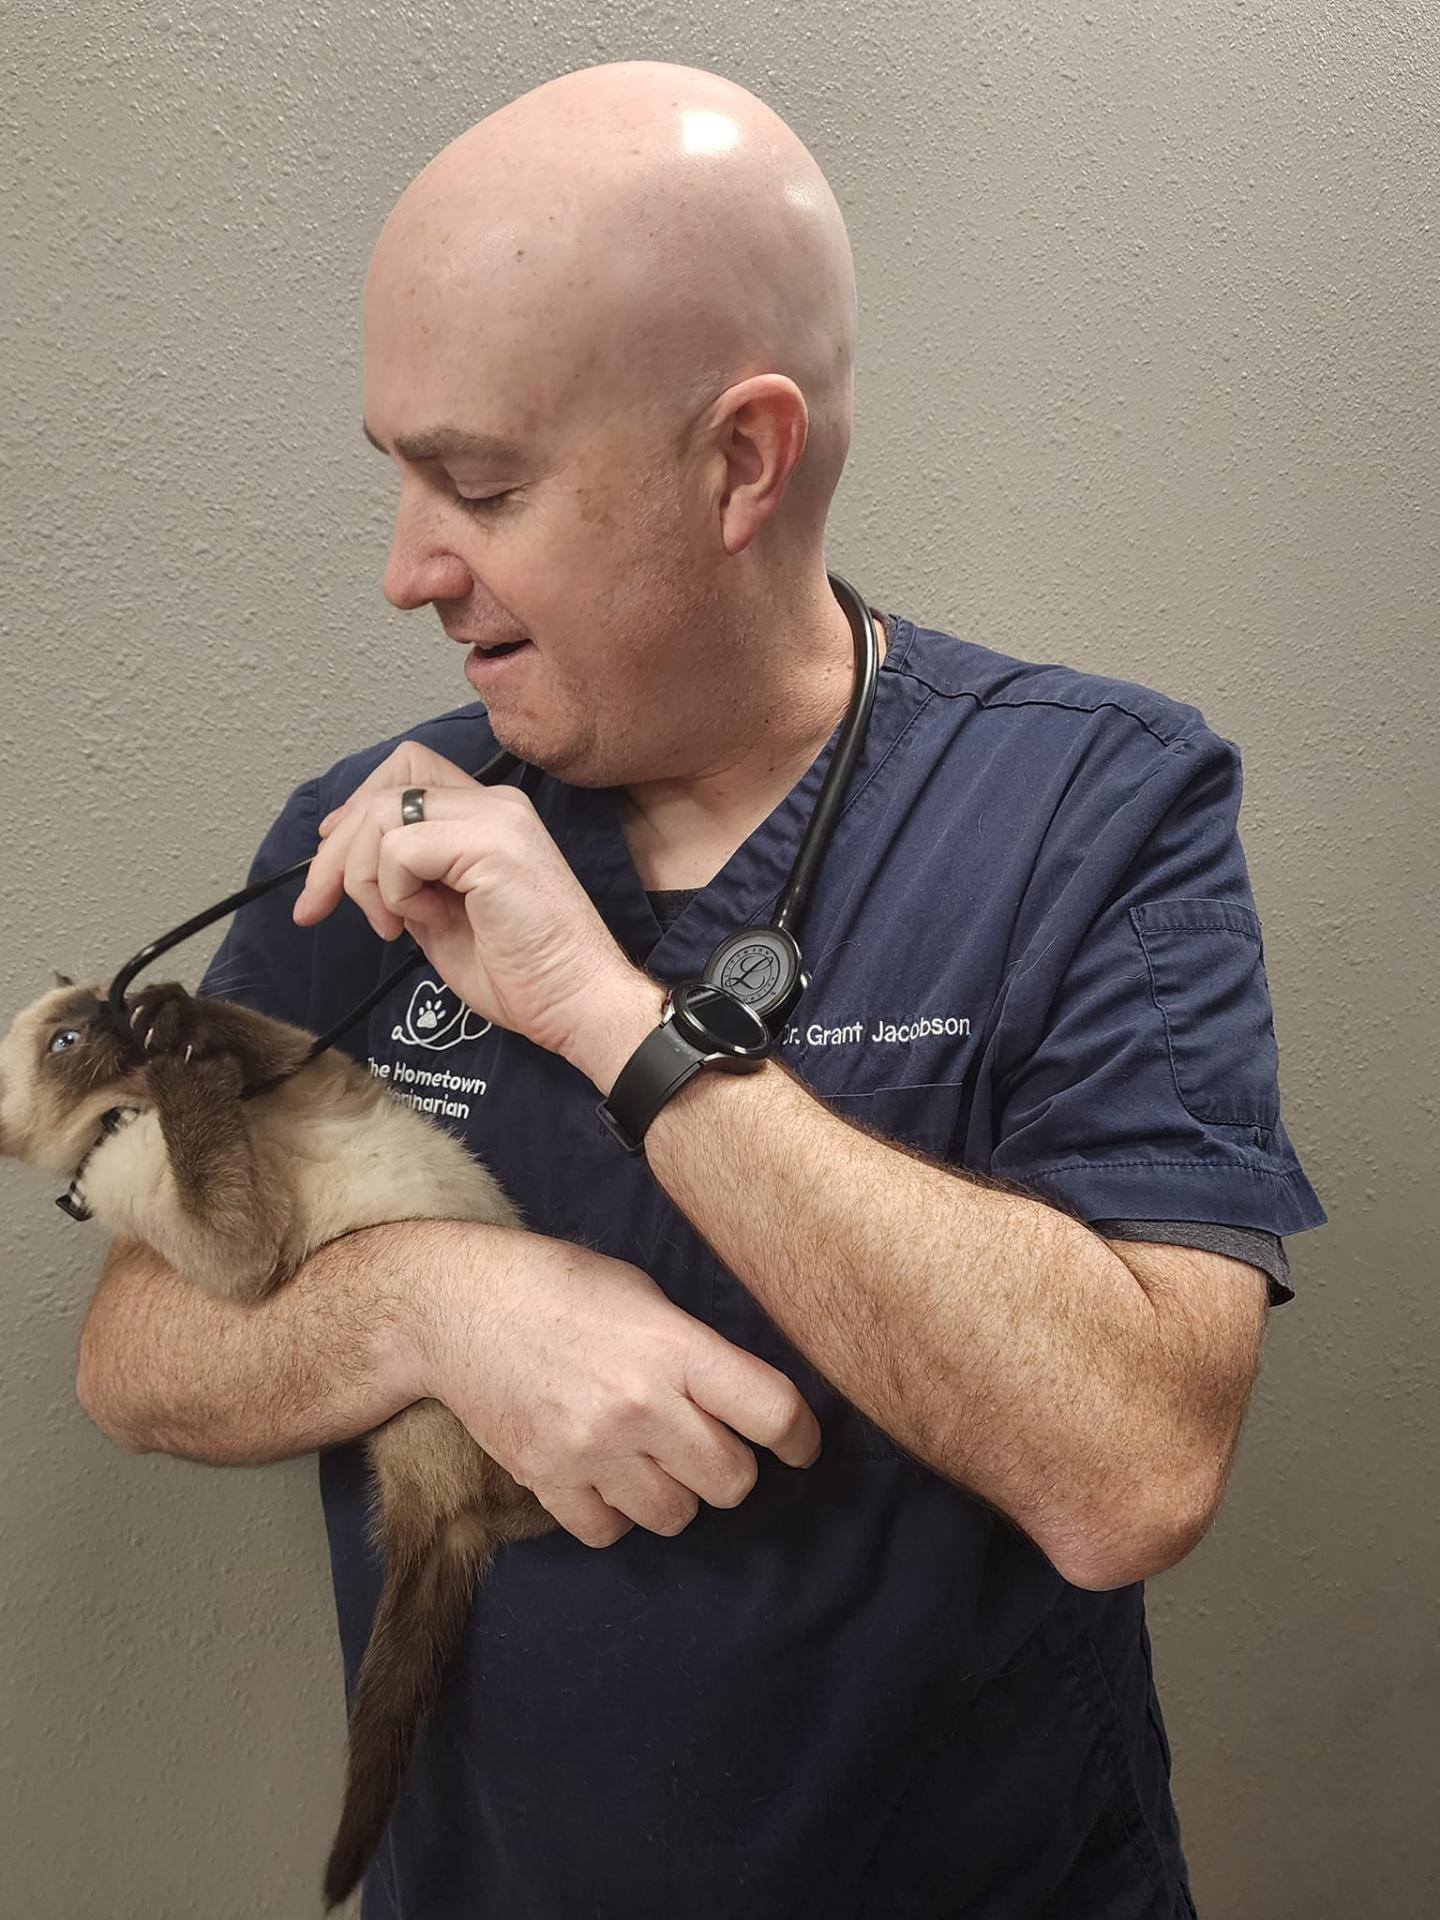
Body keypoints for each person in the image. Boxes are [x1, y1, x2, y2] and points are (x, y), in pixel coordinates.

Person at [77, 59, 1326, 1919]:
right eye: (401, 477)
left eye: (480, 483)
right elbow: (137, 1349)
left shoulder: (1090, 804)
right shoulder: (377, 836)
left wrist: (611, 1020)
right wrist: (438, 1304)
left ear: (741, 459)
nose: (410, 568)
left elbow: (1131, 1466)